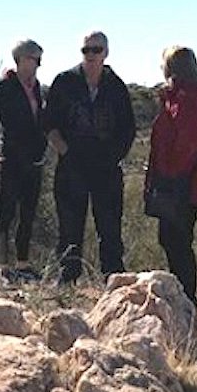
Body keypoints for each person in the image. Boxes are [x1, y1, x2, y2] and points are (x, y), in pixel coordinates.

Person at [43, 31, 135, 284]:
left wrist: (114, 156)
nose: (91, 55)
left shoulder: (116, 87)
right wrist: (65, 151)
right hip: (72, 166)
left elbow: (128, 128)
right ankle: (68, 280)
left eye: (96, 50)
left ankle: (113, 280)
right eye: (86, 50)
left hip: (106, 167)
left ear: (106, 53)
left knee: (109, 227)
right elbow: (48, 122)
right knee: (69, 226)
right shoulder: (64, 82)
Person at [146, 46, 197, 303]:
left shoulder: (187, 99)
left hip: (180, 182)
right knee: (173, 239)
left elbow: (184, 143)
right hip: (178, 180)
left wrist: (168, 174)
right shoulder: (181, 96)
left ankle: (186, 300)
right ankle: (183, 297)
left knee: (176, 240)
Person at [0, 39, 48, 282]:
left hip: (34, 159)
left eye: (38, 59)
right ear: (19, 59)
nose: (36, 64)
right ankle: (3, 267)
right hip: (12, 158)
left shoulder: (36, 87)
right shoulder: (4, 87)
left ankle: (23, 264)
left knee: (28, 212)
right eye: (32, 58)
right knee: (6, 212)